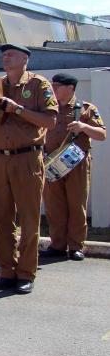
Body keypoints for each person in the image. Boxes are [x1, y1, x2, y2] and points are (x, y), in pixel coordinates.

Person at [0, 44, 58, 295]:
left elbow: (50, 121)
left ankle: (26, 273)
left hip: (27, 158)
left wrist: (17, 109)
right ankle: (7, 271)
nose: (6, 56)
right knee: (2, 219)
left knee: (28, 219)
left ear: (25, 58)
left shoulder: (39, 85)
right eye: (4, 54)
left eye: (11, 54)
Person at [40, 73, 105, 261]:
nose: (53, 89)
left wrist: (84, 127)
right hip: (52, 162)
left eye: (57, 86)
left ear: (70, 88)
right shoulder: (48, 108)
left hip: (76, 162)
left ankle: (76, 246)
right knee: (54, 205)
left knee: (77, 204)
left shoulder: (85, 109)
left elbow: (102, 134)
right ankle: (58, 245)